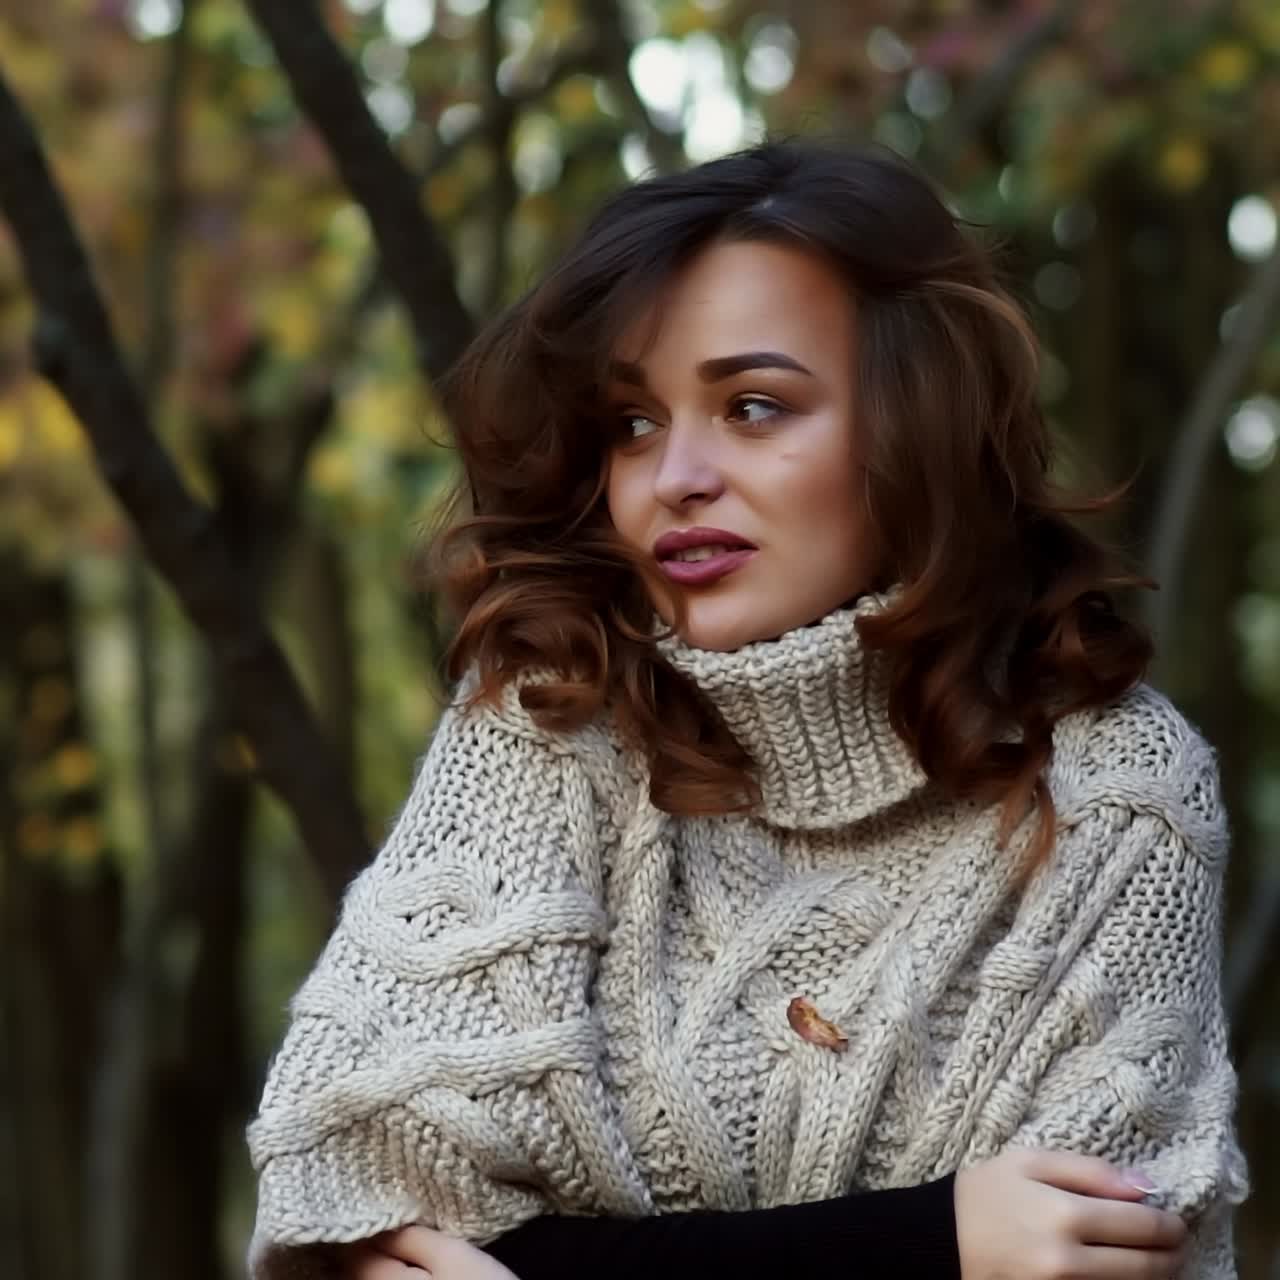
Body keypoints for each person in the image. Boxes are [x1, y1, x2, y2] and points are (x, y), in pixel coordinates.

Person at [246, 139, 1248, 1280]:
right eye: (631, 423)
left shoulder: (1115, 795)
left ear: (914, 420)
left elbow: (1092, 1251)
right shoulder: (545, 727)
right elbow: (356, 1203)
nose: (674, 475)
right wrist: (933, 1240)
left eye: (753, 405)